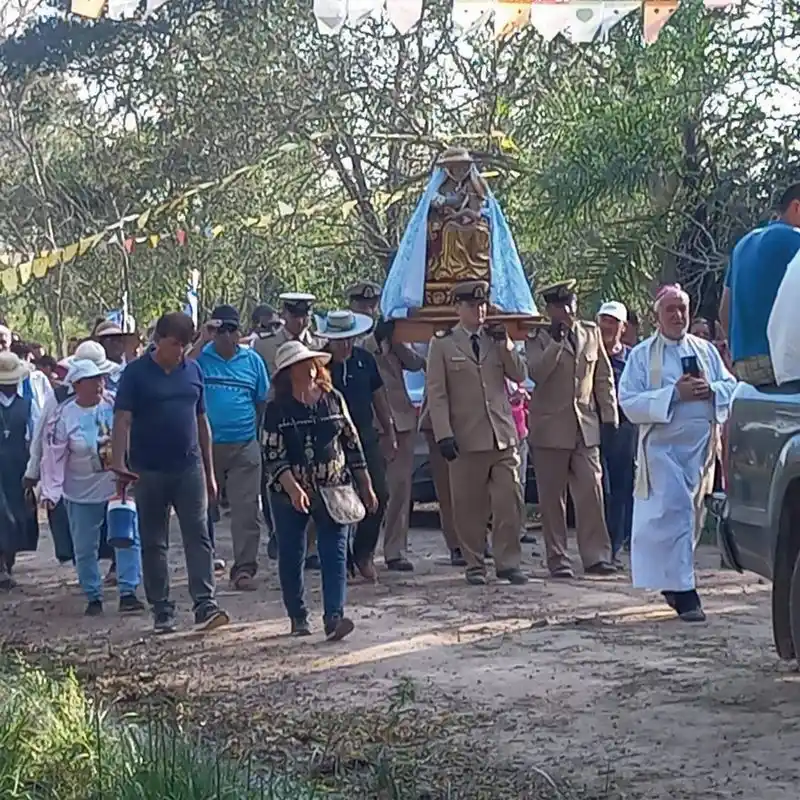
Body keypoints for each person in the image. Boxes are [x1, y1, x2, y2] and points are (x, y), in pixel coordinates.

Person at [619, 284, 737, 621]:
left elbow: (731, 385)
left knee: (688, 518)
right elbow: (628, 400)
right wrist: (673, 394)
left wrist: (709, 389)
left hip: (699, 453)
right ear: (657, 315)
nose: (677, 315)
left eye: (682, 308)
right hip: (662, 452)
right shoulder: (642, 355)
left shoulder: (704, 351)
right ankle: (686, 592)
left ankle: (673, 583)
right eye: (670, 309)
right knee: (675, 512)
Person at [111, 311, 229, 634]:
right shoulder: (135, 375)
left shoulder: (193, 372)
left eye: (185, 345)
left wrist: (210, 472)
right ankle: (162, 607)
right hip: (147, 470)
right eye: (175, 344)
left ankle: (205, 602)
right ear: (158, 340)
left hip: (189, 466)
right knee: (154, 540)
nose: (180, 351)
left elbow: (201, 422)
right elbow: (122, 419)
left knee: (198, 534)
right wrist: (119, 462)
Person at [263, 340, 378, 640]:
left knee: (335, 552)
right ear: (288, 373)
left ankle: (334, 617)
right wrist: (293, 488)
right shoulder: (276, 409)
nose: (311, 369)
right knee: (291, 553)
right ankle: (298, 615)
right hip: (288, 491)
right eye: (303, 365)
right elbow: (273, 455)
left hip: (334, 487)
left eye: (313, 363)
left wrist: (365, 485)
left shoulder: (333, 399)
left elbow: (352, 443)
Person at [426, 280, 528, 586]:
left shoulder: (495, 339)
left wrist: (506, 344)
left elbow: (519, 374)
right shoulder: (443, 344)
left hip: (501, 435)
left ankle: (508, 562)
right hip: (465, 438)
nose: (479, 311)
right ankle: (474, 563)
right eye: (472, 306)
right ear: (458, 309)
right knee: (468, 506)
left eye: (482, 305)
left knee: (508, 499)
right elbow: (437, 393)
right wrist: (443, 434)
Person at [526, 280, 617, 579]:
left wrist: (610, 416)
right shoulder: (538, 336)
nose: (566, 310)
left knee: (592, 490)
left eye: (570, 303)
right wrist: (555, 342)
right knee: (553, 499)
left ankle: (597, 556)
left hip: (584, 426)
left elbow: (602, 376)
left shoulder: (590, 332)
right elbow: (536, 373)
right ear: (549, 309)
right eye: (559, 306)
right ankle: (558, 558)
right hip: (550, 428)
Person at [39, 359, 144, 616]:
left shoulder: (115, 404)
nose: (99, 384)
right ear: (77, 385)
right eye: (92, 380)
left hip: (116, 488)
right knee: (85, 547)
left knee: (127, 539)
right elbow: (53, 457)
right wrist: (50, 492)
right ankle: (93, 595)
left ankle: (128, 591)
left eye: (101, 378)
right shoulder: (63, 417)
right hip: (81, 492)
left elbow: (132, 431)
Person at [191, 304, 268, 590]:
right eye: (219, 329)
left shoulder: (252, 361)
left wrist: (260, 440)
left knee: (246, 509)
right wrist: (202, 340)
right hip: (203, 447)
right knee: (200, 509)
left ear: (240, 332)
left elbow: (262, 402)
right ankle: (203, 564)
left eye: (231, 329)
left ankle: (244, 568)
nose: (225, 336)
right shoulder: (200, 359)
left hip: (244, 444)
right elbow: (178, 370)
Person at [316, 310, 393, 580]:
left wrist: (389, 430)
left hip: (365, 437)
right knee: (337, 500)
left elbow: (378, 396)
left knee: (379, 493)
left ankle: (364, 552)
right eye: (340, 340)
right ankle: (342, 559)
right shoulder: (320, 366)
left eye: (350, 339)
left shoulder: (365, 360)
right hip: (330, 442)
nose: (346, 345)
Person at [24, 340, 117, 565]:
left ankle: (116, 567)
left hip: (110, 475)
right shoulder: (57, 400)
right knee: (79, 530)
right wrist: (33, 471)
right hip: (73, 477)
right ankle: (86, 568)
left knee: (117, 526)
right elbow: (41, 437)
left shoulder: (111, 399)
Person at [253, 292, 321, 570]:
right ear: (285, 314)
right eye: (295, 315)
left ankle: (311, 546)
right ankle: (277, 533)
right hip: (276, 422)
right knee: (276, 481)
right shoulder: (265, 348)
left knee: (313, 480)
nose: (301, 321)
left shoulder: (317, 344)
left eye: (305, 315)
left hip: (309, 423)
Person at [720, 184, 800, 386]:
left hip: (743, 363)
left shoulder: (743, 244)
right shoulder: (795, 240)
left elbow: (724, 310)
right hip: (781, 362)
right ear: (796, 207)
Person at [596, 301, 636, 566]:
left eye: (613, 322)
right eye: (604, 321)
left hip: (624, 430)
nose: (608, 327)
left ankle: (615, 545)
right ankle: (598, 546)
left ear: (623, 327)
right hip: (594, 428)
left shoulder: (633, 358)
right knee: (600, 488)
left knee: (622, 488)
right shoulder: (589, 354)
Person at [0, 352, 40, 590]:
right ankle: (1, 565)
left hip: (18, 465)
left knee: (16, 514)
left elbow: (35, 437)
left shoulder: (28, 404)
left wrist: (34, 468)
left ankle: (9, 561)